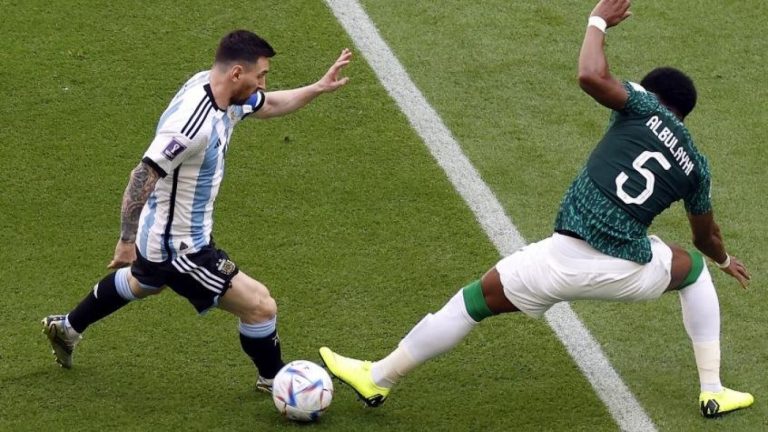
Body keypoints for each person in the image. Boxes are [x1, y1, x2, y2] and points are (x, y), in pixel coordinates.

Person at [319, 0, 754, 418]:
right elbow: (705, 236)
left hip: (559, 261)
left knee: (472, 302)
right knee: (693, 270)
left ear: (650, 92)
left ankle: (378, 377)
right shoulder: (697, 165)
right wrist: (724, 260)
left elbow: (590, 74)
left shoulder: (642, 104)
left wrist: (598, 21)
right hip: (625, 272)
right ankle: (713, 390)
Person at [42, 30, 352, 392]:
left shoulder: (218, 88)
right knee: (260, 306)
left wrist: (317, 88)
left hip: (160, 229)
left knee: (145, 282)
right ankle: (276, 381)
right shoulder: (193, 125)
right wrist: (125, 240)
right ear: (237, 73)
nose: (263, 84)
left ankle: (67, 328)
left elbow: (268, 104)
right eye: (261, 76)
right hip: (180, 248)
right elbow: (142, 175)